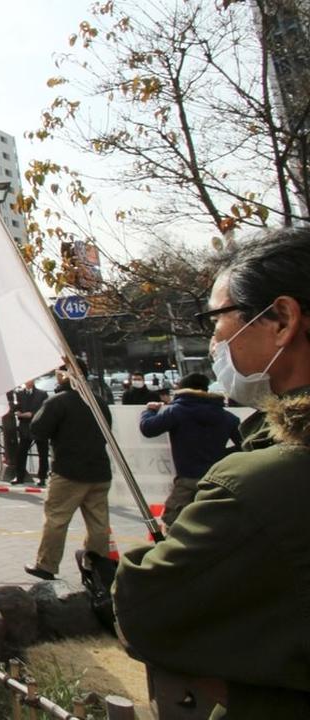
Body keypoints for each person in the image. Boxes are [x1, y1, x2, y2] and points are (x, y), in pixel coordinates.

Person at [114, 227, 310, 718]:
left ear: (282, 319)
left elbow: (145, 609)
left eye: (217, 320)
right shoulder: (236, 425)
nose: (216, 341)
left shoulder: (260, 486)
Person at [23, 358, 113, 581]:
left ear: (66, 374)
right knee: (99, 523)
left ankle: (46, 565)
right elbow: (107, 430)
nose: (56, 375)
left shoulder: (59, 401)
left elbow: (38, 429)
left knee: (57, 519)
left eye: (59, 372)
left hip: (69, 471)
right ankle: (96, 567)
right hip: (100, 470)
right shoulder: (98, 401)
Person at [138, 372, 241, 527]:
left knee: (175, 526)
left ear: (182, 390)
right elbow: (244, 444)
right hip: (217, 480)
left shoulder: (177, 411)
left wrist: (149, 411)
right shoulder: (226, 416)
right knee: (215, 526)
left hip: (186, 481)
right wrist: (221, 456)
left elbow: (148, 428)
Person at [9, 379, 49, 484]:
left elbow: (44, 409)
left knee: (43, 453)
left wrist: (32, 414)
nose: (28, 381)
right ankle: (19, 476)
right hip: (25, 427)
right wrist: (17, 411)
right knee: (21, 453)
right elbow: (16, 407)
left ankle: (42, 477)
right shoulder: (19, 393)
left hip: (40, 427)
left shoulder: (42, 394)